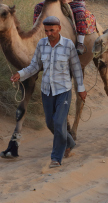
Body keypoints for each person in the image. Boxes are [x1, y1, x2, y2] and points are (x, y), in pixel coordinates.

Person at [10, 16, 87, 168]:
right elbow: (34, 66)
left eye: (52, 30)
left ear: (58, 28)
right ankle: (70, 142)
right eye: (46, 31)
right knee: (50, 123)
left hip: (63, 90)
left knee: (59, 122)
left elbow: (76, 68)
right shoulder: (41, 44)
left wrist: (81, 88)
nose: (49, 33)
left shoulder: (68, 45)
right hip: (46, 90)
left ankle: (56, 158)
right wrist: (21, 74)